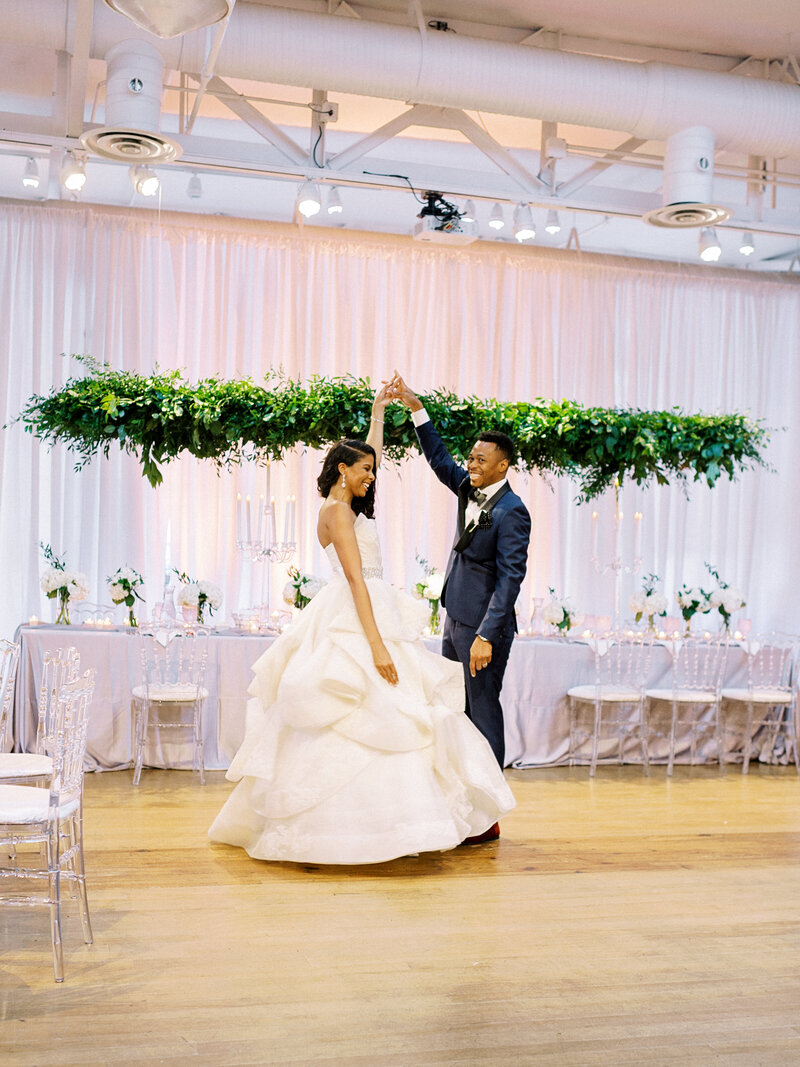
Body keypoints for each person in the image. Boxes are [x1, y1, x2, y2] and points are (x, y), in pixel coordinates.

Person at [209, 383, 515, 864]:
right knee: (367, 711)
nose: (373, 476)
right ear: (342, 471)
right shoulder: (338, 513)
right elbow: (355, 582)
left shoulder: (343, 503)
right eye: (366, 470)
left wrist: (379, 412)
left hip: (372, 607)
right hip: (360, 615)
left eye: (373, 469)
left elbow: (366, 455)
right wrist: (376, 646)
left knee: (397, 713)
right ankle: (365, 826)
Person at [393, 375, 531, 816]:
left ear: (503, 466)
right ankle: (461, 803)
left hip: (483, 631)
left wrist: (487, 636)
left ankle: (489, 812)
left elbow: (510, 579)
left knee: (482, 711)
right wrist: (417, 408)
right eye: (471, 456)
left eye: (480, 458)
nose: (471, 462)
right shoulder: (467, 489)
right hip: (455, 619)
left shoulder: (513, 512)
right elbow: (437, 457)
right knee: (454, 709)